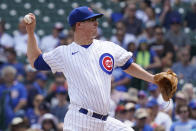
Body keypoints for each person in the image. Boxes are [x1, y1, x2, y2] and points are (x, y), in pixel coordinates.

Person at [25, 6, 159, 131]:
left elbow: (128, 65)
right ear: (78, 25)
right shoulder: (64, 53)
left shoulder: (108, 47)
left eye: (96, 20)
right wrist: (31, 33)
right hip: (79, 120)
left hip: (105, 121)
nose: (96, 23)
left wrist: (153, 79)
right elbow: (35, 61)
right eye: (91, 20)